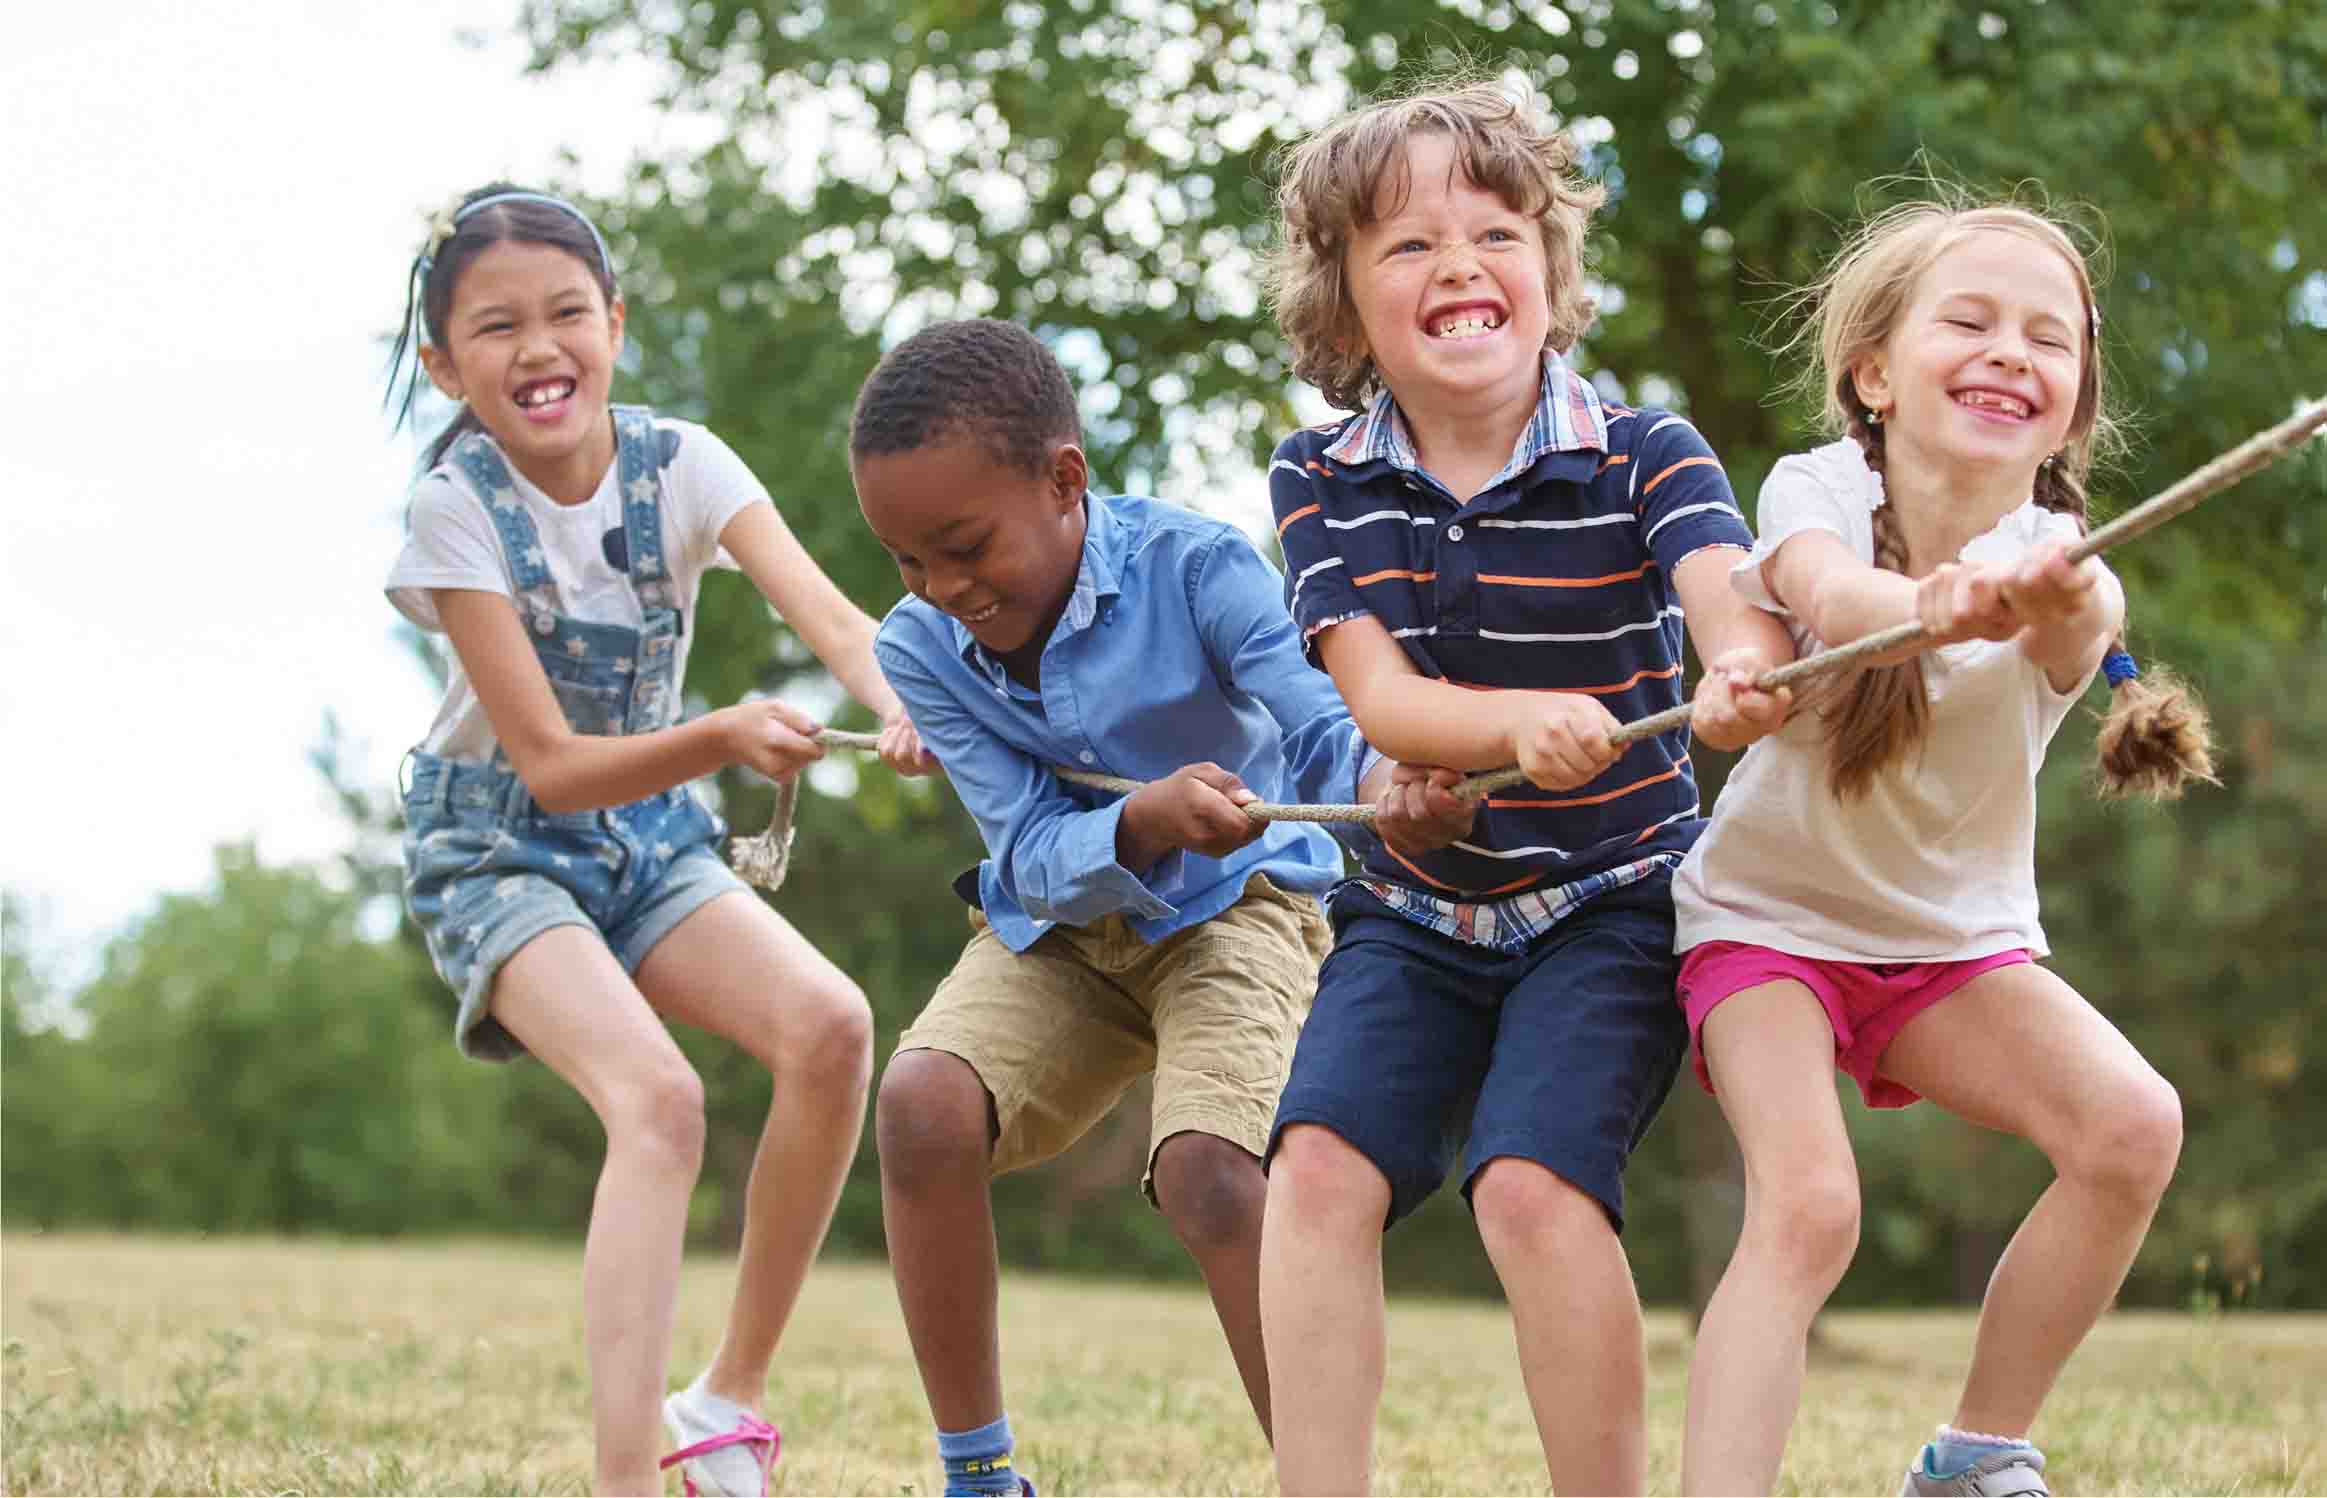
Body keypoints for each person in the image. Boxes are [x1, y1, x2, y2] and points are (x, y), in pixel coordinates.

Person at [1253, 81, 1795, 1495]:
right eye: (1405, 246)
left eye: (1493, 232)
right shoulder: (1318, 478)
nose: (1456, 268)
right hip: (1413, 909)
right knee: (1311, 1171)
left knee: (1531, 1189)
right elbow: (1379, 699)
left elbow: (1727, 602)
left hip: (1610, 903)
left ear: (1551, 276)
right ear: (1343, 305)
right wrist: (1518, 722)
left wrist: (1742, 667)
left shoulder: (1645, 455)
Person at [848, 317, 1468, 1497]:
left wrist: (1388, 788)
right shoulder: (919, 645)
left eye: (965, 546)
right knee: (921, 1103)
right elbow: (1026, 852)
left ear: (1064, 479)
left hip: (1242, 909)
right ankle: (978, 1476)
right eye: (908, 561)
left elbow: (1317, 717)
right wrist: (1140, 821)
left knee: (1208, 1170)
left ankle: (1319, 1481)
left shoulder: (1198, 566)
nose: (943, 587)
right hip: (1065, 928)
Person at [383, 182, 933, 1497]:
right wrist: (726, 735)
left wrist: (905, 703)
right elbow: (554, 768)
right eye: (497, 325)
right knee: (659, 1099)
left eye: (567, 311)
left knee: (832, 1027)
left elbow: (837, 620)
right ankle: (625, 1482)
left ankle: (722, 1401)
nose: (540, 347)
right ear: (443, 361)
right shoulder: (451, 512)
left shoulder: (684, 462)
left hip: (649, 838)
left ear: (615, 323)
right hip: (500, 845)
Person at [1669, 198, 2214, 1497]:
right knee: (1808, 1206)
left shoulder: (2066, 562)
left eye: (2046, 337)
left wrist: (2034, 599)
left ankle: (1971, 1457)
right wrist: (1923, 603)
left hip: (1947, 952)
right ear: (1872, 372)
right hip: (1762, 930)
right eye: (1964, 321)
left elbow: (2071, 627)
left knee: (2131, 1126)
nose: (2006, 351)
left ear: (2073, 400)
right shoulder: (1816, 488)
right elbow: (1821, 591)